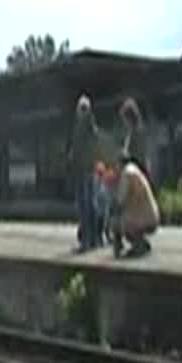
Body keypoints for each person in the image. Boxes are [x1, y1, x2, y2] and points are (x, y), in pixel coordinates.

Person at [68, 94, 100, 251]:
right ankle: (90, 238)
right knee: (85, 204)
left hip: (87, 170)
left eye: (84, 108)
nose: (81, 112)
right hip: (81, 170)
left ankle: (89, 239)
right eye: (81, 108)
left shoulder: (88, 127)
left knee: (87, 205)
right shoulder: (79, 128)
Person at [114, 150, 160, 258]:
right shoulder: (135, 171)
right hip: (151, 216)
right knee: (125, 219)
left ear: (120, 163)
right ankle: (141, 243)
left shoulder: (127, 173)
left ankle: (137, 245)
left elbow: (121, 198)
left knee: (116, 223)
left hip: (143, 219)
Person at [119, 97, 149, 179]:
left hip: (137, 169)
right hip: (138, 168)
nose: (124, 122)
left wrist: (123, 155)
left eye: (125, 118)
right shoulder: (134, 131)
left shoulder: (136, 132)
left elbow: (134, 153)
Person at [93, 162, 111, 246]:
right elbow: (95, 195)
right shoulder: (96, 181)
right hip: (99, 208)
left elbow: (106, 194)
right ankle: (100, 239)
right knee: (100, 224)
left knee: (106, 223)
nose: (100, 174)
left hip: (104, 207)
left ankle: (106, 237)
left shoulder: (104, 181)